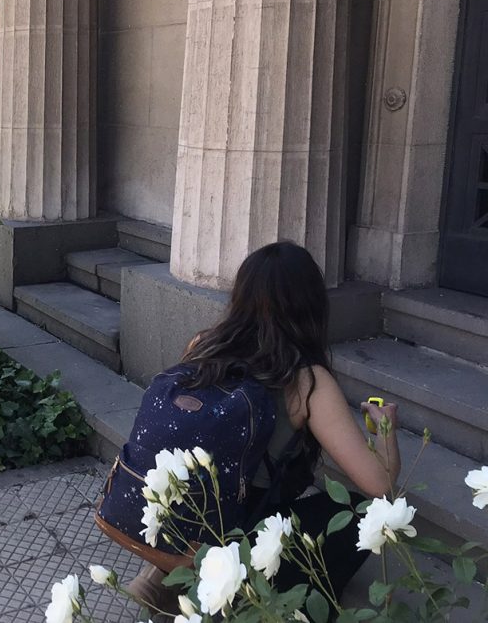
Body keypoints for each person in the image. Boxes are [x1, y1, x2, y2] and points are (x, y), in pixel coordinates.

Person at [125, 242, 400, 617]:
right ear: (310, 305)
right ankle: (291, 601)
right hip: (244, 529)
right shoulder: (305, 381)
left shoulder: (203, 345)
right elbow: (380, 484)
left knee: (217, 481)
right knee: (365, 511)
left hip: (182, 510)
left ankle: (166, 570)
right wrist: (385, 430)